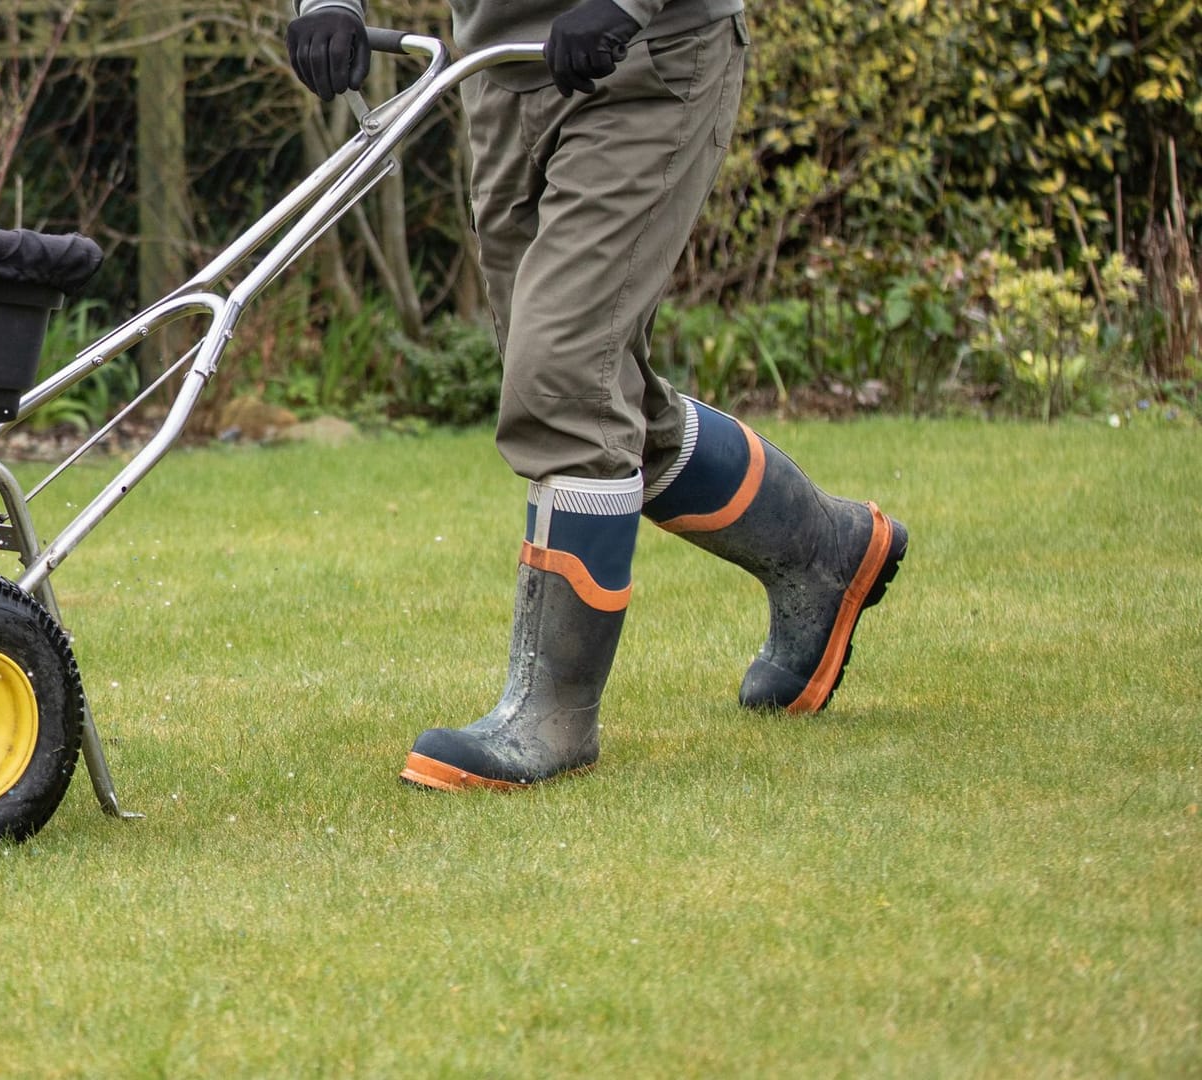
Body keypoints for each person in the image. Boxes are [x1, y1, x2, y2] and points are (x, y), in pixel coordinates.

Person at [285, 0, 909, 791]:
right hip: (503, 75)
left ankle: (549, 718)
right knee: (596, 398)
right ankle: (824, 552)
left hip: (646, 61)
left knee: (565, 379)